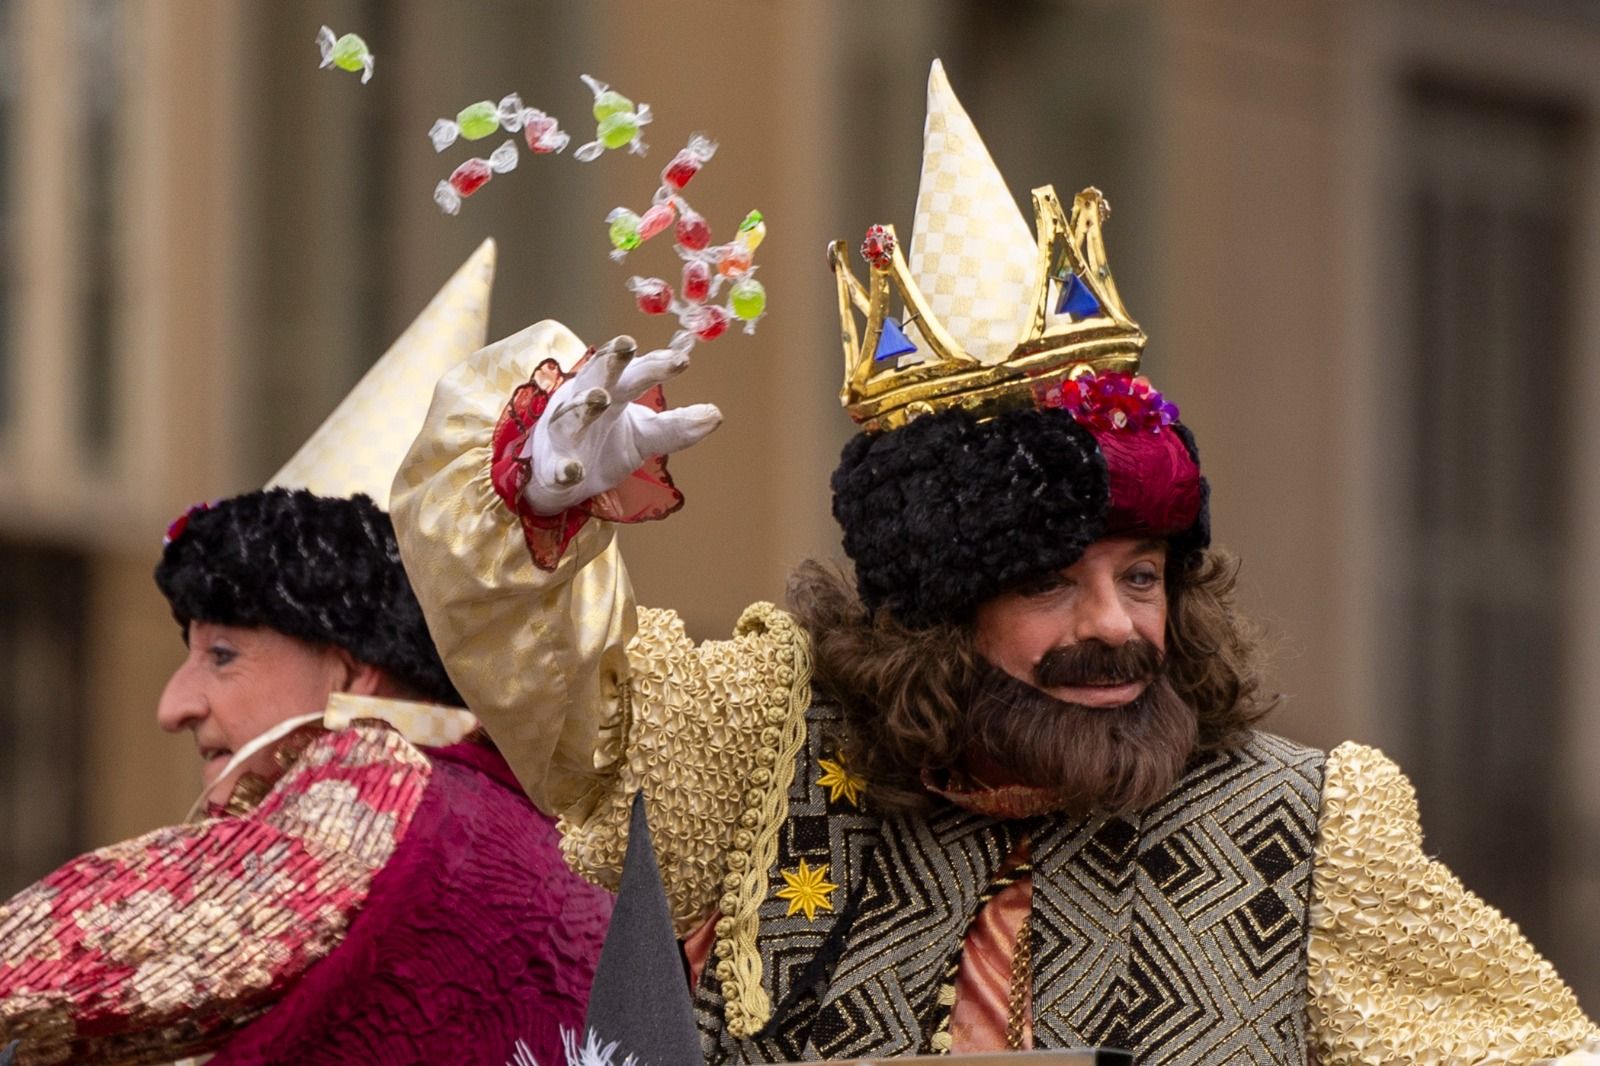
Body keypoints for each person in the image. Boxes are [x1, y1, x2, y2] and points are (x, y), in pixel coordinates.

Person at [390, 65, 1599, 1065]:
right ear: (931, 611)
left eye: (1140, 575)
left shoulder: (1300, 824)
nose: (1115, 627)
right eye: (1048, 583)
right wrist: (526, 488)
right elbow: (566, 699)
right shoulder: (758, 750)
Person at [0, 242, 612, 1066]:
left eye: (223, 655)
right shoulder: (537, 826)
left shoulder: (376, 782)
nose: (172, 705)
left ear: (354, 669)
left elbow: (59, 963)